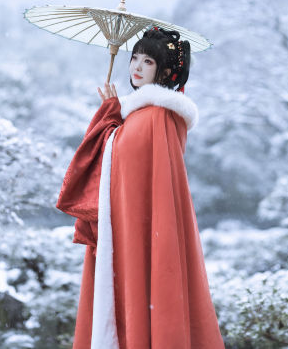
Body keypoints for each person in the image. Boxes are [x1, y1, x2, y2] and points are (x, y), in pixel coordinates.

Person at [56, 27, 225, 349]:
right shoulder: (139, 115)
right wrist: (112, 113)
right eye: (135, 58)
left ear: (164, 71)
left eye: (148, 61)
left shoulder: (158, 115)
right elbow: (119, 157)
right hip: (124, 225)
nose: (136, 66)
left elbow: (125, 159)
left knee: (142, 285)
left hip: (138, 226)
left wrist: (112, 120)